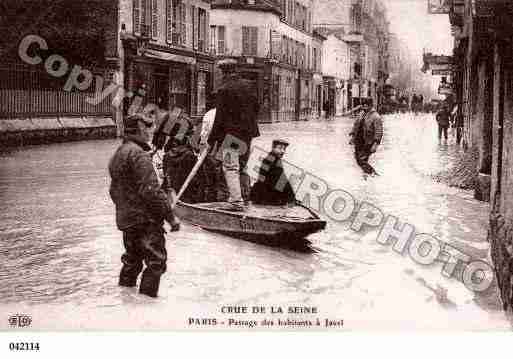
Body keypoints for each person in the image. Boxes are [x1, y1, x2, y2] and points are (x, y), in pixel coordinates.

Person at [108, 113, 180, 298]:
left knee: (132, 261)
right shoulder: (139, 154)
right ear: (140, 129)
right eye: (148, 127)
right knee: (156, 262)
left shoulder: (119, 153)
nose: (151, 131)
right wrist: (171, 217)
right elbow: (152, 191)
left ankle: (127, 301)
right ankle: (147, 305)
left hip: (127, 220)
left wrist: (126, 209)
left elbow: (113, 191)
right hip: (145, 220)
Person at [207, 58, 260, 210]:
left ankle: (236, 202)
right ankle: (244, 196)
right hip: (248, 134)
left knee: (230, 167)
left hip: (231, 136)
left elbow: (220, 118)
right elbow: (257, 107)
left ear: (223, 72)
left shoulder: (224, 90)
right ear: (235, 70)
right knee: (242, 166)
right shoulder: (249, 86)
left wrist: (212, 140)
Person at [250, 139, 296, 206]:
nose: (283, 151)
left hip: (263, 194)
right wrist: (291, 198)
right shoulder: (272, 160)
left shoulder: (270, 158)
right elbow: (282, 181)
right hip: (268, 196)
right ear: (273, 148)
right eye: (280, 148)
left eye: (284, 149)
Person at [349, 98, 383, 178]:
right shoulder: (361, 114)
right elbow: (356, 125)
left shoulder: (376, 116)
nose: (365, 107)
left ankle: (372, 174)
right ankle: (366, 175)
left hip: (368, 141)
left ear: (371, 105)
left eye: (367, 105)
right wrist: (352, 136)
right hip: (358, 140)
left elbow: (379, 131)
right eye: (363, 105)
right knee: (358, 158)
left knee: (362, 159)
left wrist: (375, 144)